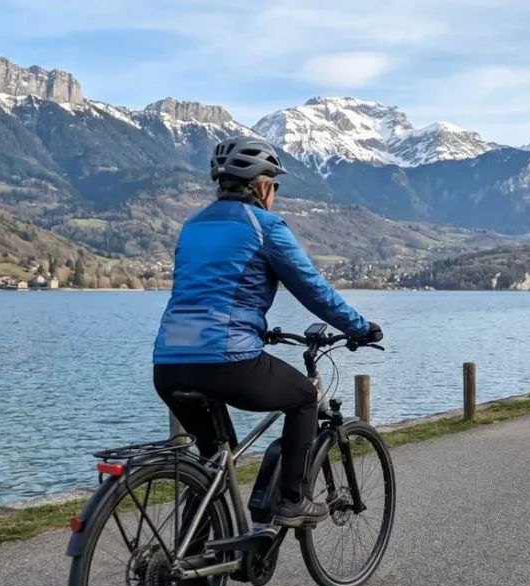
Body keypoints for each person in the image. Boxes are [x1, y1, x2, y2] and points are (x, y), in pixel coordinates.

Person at [152, 135, 382, 528]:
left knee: (214, 460)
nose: (274, 192)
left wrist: (255, 329)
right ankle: (291, 499)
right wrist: (362, 327)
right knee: (305, 398)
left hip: (168, 363)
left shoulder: (191, 227)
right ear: (261, 185)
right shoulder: (266, 227)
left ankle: (192, 561)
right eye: (274, 184)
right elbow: (315, 292)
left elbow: (207, 294)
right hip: (226, 362)